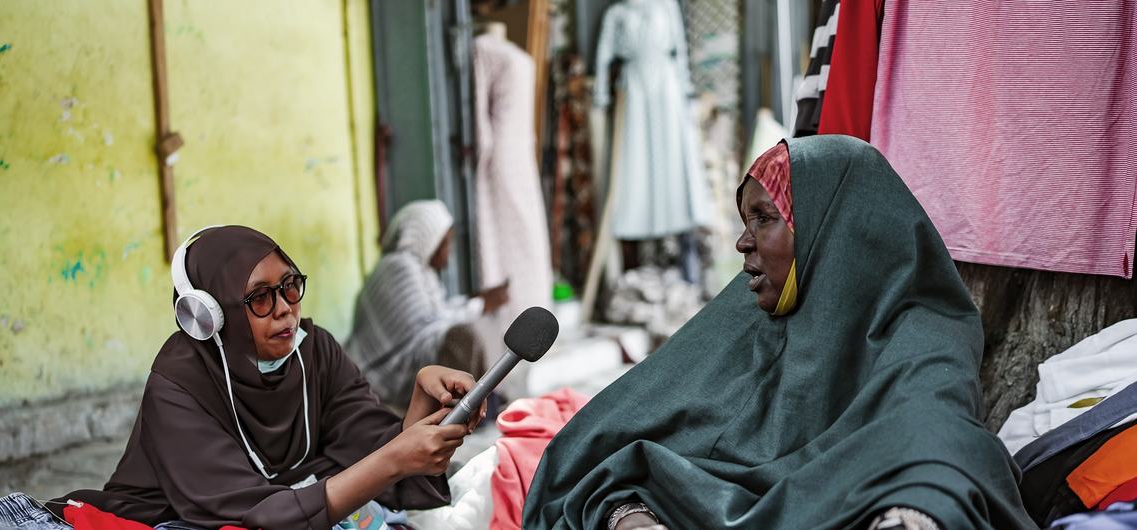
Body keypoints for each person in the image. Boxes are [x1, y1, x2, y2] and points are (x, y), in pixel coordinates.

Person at [523, 136, 1035, 529]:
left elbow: (935, 440)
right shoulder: (747, 317)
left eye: (765, 218)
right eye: (745, 220)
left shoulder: (920, 331)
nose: (743, 243)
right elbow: (615, 443)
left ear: (832, 229)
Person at [52, 225, 485, 529]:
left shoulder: (314, 351)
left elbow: (373, 451)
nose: (284, 308)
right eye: (259, 297)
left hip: (284, 504)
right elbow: (258, 516)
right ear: (210, 316)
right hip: (177, 517)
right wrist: (394, 459)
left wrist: (422, 404)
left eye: (290, 284)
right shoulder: (178, 384)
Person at [348, 200, 508, 409]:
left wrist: (476, 302)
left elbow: (436, 313)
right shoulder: (399, 267)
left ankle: (481, 400)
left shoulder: (421, 270)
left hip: (406, 357)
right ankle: (463, 408)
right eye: (445, 243)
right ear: (427, 239)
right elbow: (429, 325)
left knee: (471, 328)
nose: (449, 251)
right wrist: (479, 304)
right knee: (460, 339)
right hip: (383, 373)